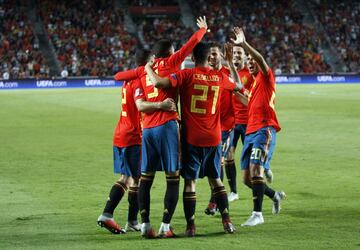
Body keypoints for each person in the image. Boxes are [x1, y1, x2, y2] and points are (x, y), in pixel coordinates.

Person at [113, 16, 208, 238]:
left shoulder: (144, 70)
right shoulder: (172, 63)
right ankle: (166, 226)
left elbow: (120, 75)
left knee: (145, 178)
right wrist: (202, 30)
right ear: (171, 53)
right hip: (167, 126)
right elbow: (190, 46)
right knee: (172, 176)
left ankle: (145, 224)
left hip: (147, 130)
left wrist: (146, 66)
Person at [145, 42, 247, 236]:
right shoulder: (220, 77)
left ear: (192, 59)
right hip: (214, 137)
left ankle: (191, 226)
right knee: (216, 180)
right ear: (210, 58)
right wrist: (230, 63)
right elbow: (239, 86)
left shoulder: (185, 75)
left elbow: (159, 83)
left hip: (192, 138)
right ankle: (227, 222)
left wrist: (148, 68)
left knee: (190, 183)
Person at [97, 49, 177, 234]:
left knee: (129, 178)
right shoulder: (137, 82)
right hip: (133, 136)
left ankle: (124, 219)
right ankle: (114, 216)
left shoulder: (127, 81)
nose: (155, 63)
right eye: (152, 61)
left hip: (121, 133)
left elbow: (119, 76)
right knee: (135, 180)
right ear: (147, 62)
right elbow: (141, 106)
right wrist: (161, 105)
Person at [231, 27, 285, 227]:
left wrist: (244, 44)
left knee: (256, 169)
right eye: (250, 63)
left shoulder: (266, 77)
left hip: (264, 129)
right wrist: (228, 88)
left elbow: (261, 60)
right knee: (246, 178)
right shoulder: (254, 86)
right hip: (250, 131)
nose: (252, 64)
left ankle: (257, 214)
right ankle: (275, 196)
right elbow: (247, 101)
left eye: (253, 62)